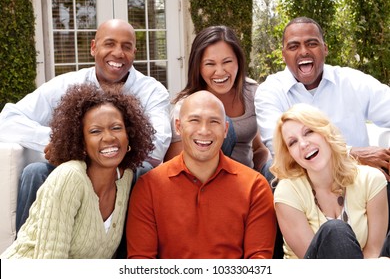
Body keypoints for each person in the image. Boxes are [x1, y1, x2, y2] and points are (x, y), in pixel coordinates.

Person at [0, 19, 171, 232]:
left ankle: (127, 259)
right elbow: (6, 120)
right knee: (34, 172)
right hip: (72, 166)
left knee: (144, 170)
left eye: (126, 46)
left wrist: (97, 152)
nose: (118, 53)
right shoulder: (67, 84)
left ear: (134, 52)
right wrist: (60, 142)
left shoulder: (152, 91)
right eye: (110, 43)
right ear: (93, 47)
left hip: (121, 168)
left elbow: (157, 146)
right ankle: (26, 256)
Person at [255, 16, 390, 231]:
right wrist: (350, 154)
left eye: (311, 43)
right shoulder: (271, 91)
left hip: (356, 179)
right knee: (272, 171)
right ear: (283, 55)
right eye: (293, 46)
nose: (304, 51)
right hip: (302, 179)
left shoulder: (352, 81)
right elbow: (279, 148)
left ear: (325, 49)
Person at [0, 83, 155, 258]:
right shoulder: (69, 177)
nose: (109, 137)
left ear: (130, 134)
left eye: (116, 128)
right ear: (80, 141)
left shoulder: (125, 177)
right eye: (95, 131)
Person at [126, 90, 276, 259]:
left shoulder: (255, 186)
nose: (204, 131)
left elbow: (259, 264)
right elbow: (140, 263)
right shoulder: (149, 186)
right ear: (178, 126)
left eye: (214, 122)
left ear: (225, 129)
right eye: (194, 120)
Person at [270, 103, 389, 259]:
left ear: (326, 132)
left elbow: (374, 251)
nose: (303, 144)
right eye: (293, 142)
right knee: (335, 231)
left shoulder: (371, 179)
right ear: (289, 154)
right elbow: (315, 262)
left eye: (309, 132)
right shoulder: (287, 193)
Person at [164, 25, 271, 182]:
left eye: (227, 62)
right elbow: (174, 165)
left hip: (247, 180)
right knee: (217, 119)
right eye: (210, 64)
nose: (220, 72)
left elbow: (259, 148)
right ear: (198, 66)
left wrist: (264, 170)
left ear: (239, 62)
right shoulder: (186, 106)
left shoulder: (252, 92)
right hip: (206, 181)